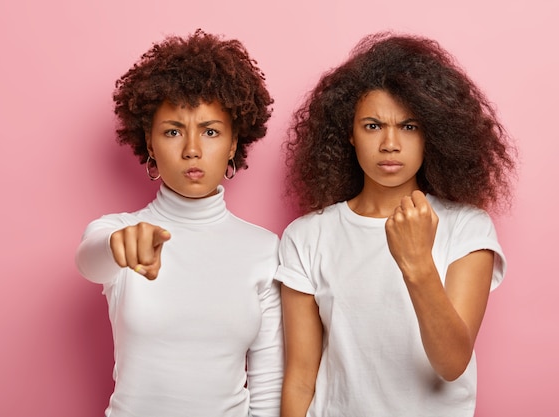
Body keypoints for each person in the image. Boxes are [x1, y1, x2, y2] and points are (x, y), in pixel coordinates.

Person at [276, 32, 516, 417]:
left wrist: (418, 262)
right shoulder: (306, 236)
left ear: (432, 134)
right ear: (349, 135)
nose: (390, 143)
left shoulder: (467, 228)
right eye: (372, 126)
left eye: (409, 126)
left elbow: (452, 363)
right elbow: (301, 377)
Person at [75, 29, 283, 417]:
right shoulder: (117, 229)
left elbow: (269, 385)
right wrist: (119, 246)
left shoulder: (264, 249)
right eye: (173, 131)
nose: (191, 149)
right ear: (150, 143)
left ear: (234, 143)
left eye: (210, 131)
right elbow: (89, 262)